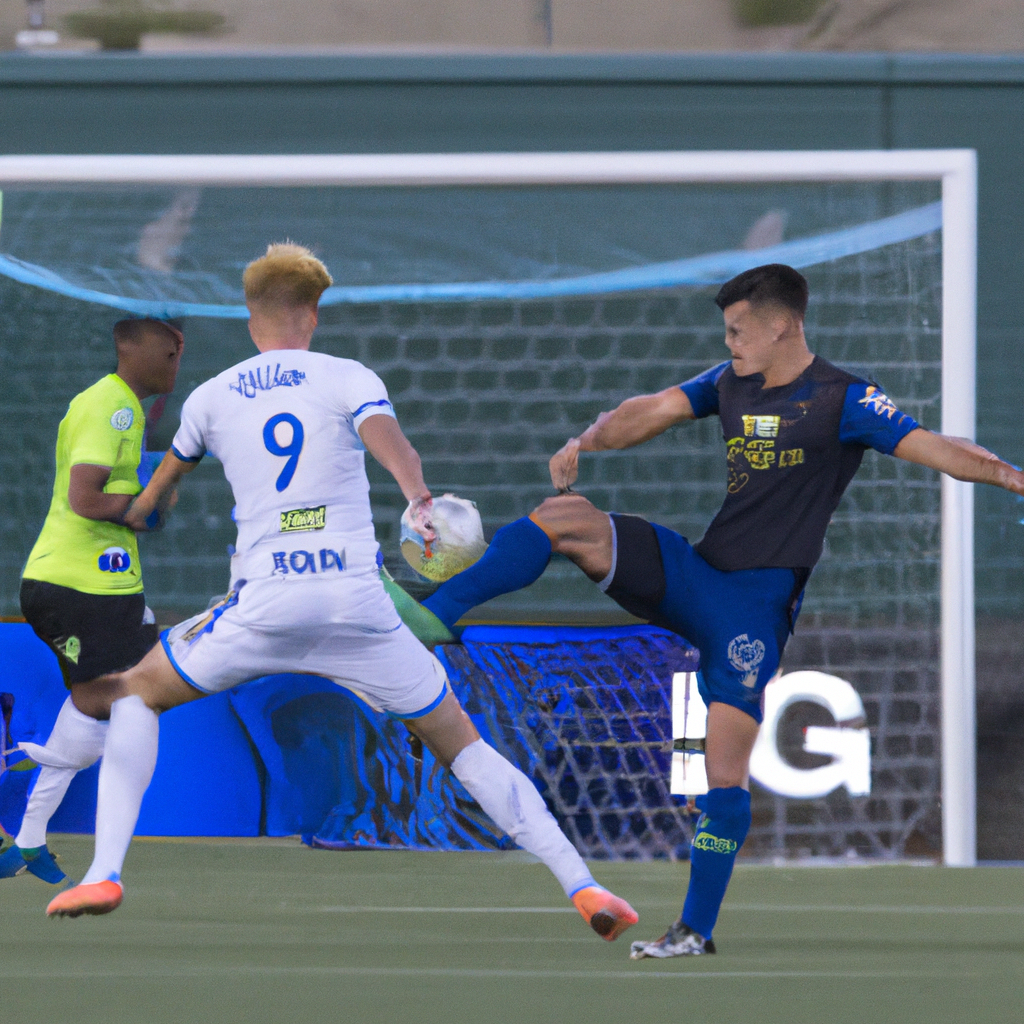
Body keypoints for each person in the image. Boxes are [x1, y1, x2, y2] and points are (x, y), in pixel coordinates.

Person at [415, 263, 1024, 958]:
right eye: (726, 332)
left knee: (721, 778)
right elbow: (652, 410)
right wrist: (587, 438)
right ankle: (438, 613)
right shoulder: (729, 382)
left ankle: (694, 931)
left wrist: (1011, 476)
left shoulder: (843, 398)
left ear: (781, 325)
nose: (730, 342)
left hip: (750, 615)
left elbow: (942, 448)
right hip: (698, 577)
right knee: (564, 517)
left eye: (738, 330)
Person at [45, 243, 639, 944]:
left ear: (249, 316)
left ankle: (106, 870)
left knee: (136, 693)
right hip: (356, 608)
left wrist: (137, 505)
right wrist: (418, 498)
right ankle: (584, 884)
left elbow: (146, 505)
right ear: (313, 314)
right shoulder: (346, 376)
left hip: (264, 606)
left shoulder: (209, 397)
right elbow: (395, 447)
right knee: (463, 745)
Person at [0, 318, 183, 887]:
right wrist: (142, 501)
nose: (175, 362)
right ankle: (31, 769)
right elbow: (85, 498)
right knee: (132, 702)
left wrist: (149, 503)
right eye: (168, 351)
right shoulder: (114, 407)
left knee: (101, 708)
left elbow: (128, 509)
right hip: (80, 588)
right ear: (130, 349)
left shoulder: (117, 405)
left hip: (107, 589)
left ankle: (29, 838)